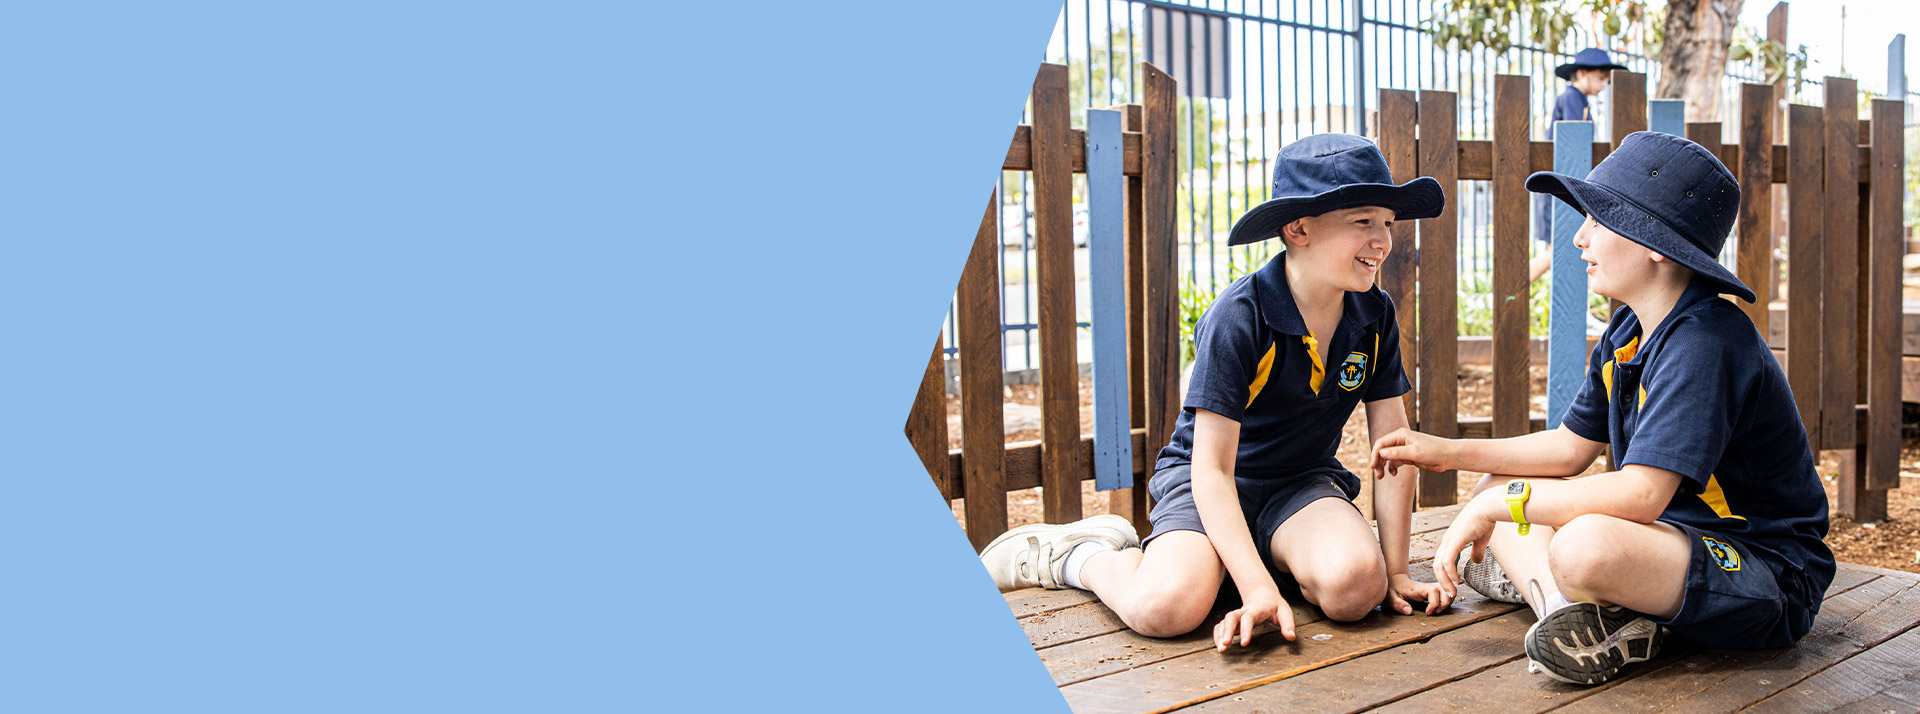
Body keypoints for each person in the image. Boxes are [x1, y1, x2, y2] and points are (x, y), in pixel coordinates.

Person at [1370, 131, 1835, 686]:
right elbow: (1569, 447)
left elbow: (1640, 494)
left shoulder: (1706, 341)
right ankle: (1570, 620)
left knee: (1579, 544)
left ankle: (1579, 600)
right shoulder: (1629, 330)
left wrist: (1499, 510)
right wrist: (1448, 453)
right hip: (1672, 541)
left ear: (1653, 243)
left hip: (1764, 572)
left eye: (1598, 220)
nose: (1580, 239)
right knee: (1499, 485)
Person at [979, 134, 1453, 650]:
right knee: (1166, 608)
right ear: (1298, 229)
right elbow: (1211, 469)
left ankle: (1259, 557)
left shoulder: (1374, 314)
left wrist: (1398, 570)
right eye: (1363, 222)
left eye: (1387, 222)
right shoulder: (1241, 317)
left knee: (1358, 588)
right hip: (1208, 479)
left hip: (1299, 482)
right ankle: (1084, 555)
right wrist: (1254, 589)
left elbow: (1394, 449)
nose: (1382, 240)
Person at [1535, 48, 1626, 337]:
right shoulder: (1573, 99)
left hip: (1563, 188)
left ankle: (1581, 313)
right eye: (1601, 77)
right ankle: (1506, 293)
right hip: (1564, 191)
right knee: (1559, 252)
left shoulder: (1577, 99)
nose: (1605, 84)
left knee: (1564, 253)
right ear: (1583, 73)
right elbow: (1576, 144)